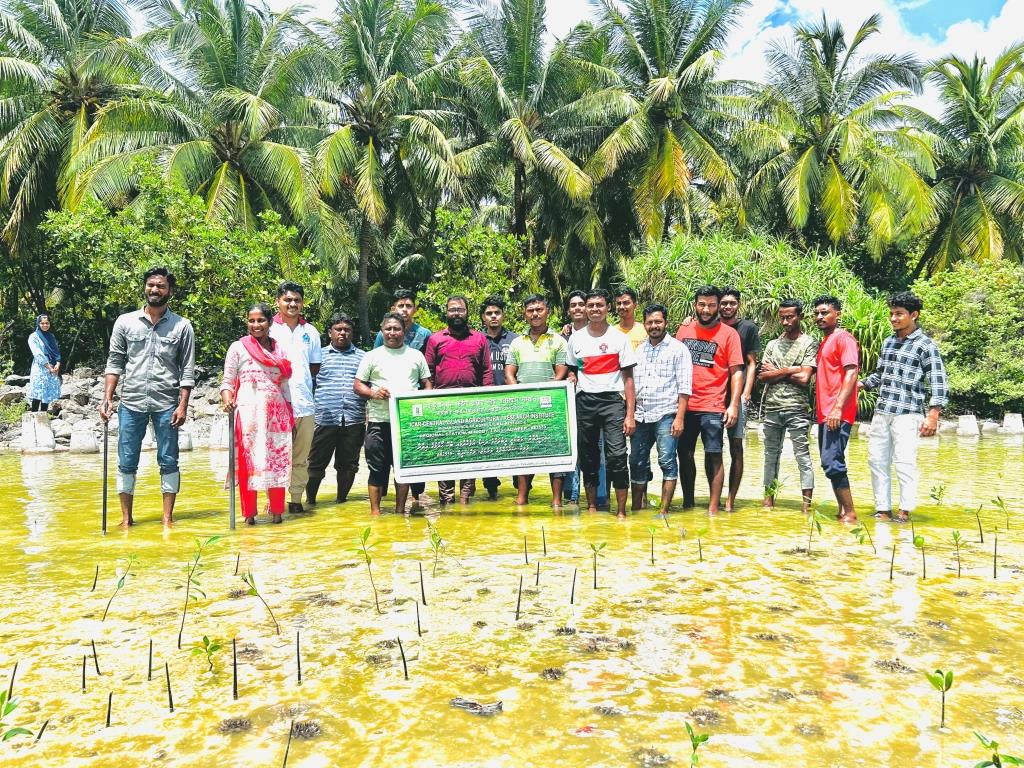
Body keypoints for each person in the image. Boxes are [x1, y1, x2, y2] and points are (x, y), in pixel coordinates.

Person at [100, 267, 196, 527]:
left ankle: (167, 519)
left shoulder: (182, 326)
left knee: (169, 459)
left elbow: (187, 370)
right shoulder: (125, 322)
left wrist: (183, 405)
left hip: (167, 403)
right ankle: (126, 519)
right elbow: (115, 362)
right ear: (145, 287)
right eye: (151, 285)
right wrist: (107, 397)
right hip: (131, 401)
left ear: (170, 291)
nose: (155, 289)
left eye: (161, 286)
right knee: (126, 460)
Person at [862, 291, 948, 523]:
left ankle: (904, 511)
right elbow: (880, 374)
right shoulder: (888, 342)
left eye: (899, 314)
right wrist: (859, 384)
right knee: (876, 460)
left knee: (904, 462)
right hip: (882, 410)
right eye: (891, 313)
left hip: (908, 413)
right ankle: (883, 509)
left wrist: (933, 415)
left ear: (914, 315)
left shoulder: (926, 345)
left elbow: (938, 381)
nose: (893, 318)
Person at [566, 289, 636, 518]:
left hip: (612, 402)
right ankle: (592, 508)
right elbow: (572, 369)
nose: (595, 309)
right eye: (591, 305)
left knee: (617, 456)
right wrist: (572, 377)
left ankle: (621, 511)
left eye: (600, 305)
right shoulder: (576, 338)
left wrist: (630, 415)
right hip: (585, 402)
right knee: (588, 457)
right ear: (586, 309)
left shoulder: (619, 338)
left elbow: (628, 379)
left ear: (608, 308)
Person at [220, 303, 293, 524]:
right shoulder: (238, 348)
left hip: (276, 417)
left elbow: (285, 386)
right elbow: (227, 381)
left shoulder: (279, 350)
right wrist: (227, 399)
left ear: (270, 322)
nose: (256, 325)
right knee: (248, 463)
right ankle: (249, 516)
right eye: (251, 321)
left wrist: (291, 415)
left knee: (277, 463)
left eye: (261, 320)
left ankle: (277, 514)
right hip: (248, 415)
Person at [354, 313, 432, 515]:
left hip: (407, 423)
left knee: (402, 469)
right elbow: (358, 385)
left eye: (396, 329)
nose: (392, 333)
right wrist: (373, 392)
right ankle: (375, 514)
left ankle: (399, 512)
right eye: (388, 329)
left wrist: (421, 400)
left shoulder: (416, 355)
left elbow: (427, 383)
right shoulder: (372, 356)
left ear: (404, 331)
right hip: (378, 421)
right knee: (376, 469)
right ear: (382, 331)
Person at [674, 286, 742, 515]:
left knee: (714, 455)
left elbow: (736, 372)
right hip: (685, 405)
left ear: (718, 306)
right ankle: (688, 504)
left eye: (711, 305)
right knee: (684, 455)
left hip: (713, 405)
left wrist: (733, 405)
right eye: (702, 304)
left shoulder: (729, 334)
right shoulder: (684, 330)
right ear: (695, 305)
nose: (706, 310)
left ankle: (713, 509)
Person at [424, 295, 494, 504]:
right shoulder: (435, 339)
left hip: (472, 405)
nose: (456, 313)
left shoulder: (479, 339)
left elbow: (486, 372)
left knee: (469, 450)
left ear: (467, 312)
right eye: (452, 309)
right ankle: (446, 500)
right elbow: (428, 373)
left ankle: (465, 499)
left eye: (460, 310)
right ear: (446, 313)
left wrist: (486, 402)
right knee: (445, 452)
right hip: (442, 406)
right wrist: (430, 403)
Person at [505, 294, 569, 506]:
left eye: (539, 309)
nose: (535, 314)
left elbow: (560, 372)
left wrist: (546, 394)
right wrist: (519, 394)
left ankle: (556, 501)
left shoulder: (558, 341)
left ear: (547, 312)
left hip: (552, 405)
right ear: (525, 314)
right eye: (530, 310)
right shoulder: (516, 342)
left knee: (556, 450)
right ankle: (522, 498)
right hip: (523, 406)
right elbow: (509, 373)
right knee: (525, 450)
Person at [630, 304, 691, 516]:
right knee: (637, 461)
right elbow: (633, 385)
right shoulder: (640, 350)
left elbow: (684, 388)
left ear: (666, 322)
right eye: (650, 322)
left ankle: (663, 511)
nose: (654, 326)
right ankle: (637, 510)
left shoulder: (678, 349)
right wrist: (630, 414)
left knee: (666, 460)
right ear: (644, 324)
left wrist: (679, 418)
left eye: (658, 321)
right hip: (641, 414)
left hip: (666, 414)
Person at [758, 299, 817, 513]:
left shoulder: (809, 343)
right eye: (782, 317)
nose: (785, 322)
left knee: (802, 455)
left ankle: (806, 506)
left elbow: (805, 379)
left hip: (797, 408)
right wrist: (790, 369)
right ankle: (768, 501)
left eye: (790, 317)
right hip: (772, 407)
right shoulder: (772, 345)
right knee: (770, 455)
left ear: (800, 317)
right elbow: (763, 376)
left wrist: (777, 371)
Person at [269, 281, 322, 515]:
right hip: (275, 404)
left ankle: (296, 499)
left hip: (304, 404)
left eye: (297, 300)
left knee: (301, 456)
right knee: (276, 454)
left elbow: (314, 367)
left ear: (302, 303)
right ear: (278, 302)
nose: (292, 304)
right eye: (287, 299)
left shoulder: (310, 331)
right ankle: (274, 501)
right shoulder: (268, 328)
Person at [373, 288, 431, 501]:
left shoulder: (424, 334)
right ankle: (385, 498)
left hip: (413, 407)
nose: (404, 310)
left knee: (413, 456)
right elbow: (377, 364)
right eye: (400, 306)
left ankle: (416, 499)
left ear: (415, 309)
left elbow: (427, 371)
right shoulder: (383, 334)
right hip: (385, 407)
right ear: (393, 308)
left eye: (408, 306)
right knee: (383, 460)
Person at [306, 313, 365, 506]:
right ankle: (310, 502)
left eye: (347, 330)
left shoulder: (363, 357)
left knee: (349, 465)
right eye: (338, 329)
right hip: (324, 418)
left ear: (352, 333)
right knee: (315, 463)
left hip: (354, 419)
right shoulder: (318, 356)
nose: (342, 333)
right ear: (330, 332)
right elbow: (308, 385)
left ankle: (341, 501)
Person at [813, 295, 860, 523]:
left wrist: (837, 408)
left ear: (837, 314)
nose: (819, 317)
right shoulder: (826, 341)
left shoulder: (844, 338)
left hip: (837, 412)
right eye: (817, 313)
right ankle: (842, 511)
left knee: (832, 462)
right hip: (825, 413)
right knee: (829, 461)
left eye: (825, 312)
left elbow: (852, 372)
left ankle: (850, 513)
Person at [561, 289, 607, 507]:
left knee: (598, 450)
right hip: (570, 403)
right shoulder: (562, 337)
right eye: (573, 305)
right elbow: (568, 367)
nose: (578, 308)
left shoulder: (602, 334)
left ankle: (600, 497)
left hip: (597, 401)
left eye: (582, 304)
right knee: (573, 449)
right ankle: (572, 496)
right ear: (568, 310)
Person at [719, 288, 760, 512]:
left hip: (736, 394)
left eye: (732, 303)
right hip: (714, 395)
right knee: (713, 448)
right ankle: (714, 495)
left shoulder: (748, 328)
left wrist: (746, 392)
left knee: (736, 446)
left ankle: (730, 499)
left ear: (738, 305)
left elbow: (752, 363)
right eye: (724, 303)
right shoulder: (712, 326)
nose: (727, 307)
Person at [480, 296, 519, 500]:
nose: (493, 316)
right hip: (485, 403)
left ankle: (520, 486)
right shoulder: (477, 340)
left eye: (497, 313)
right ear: (483, 317)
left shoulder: (515, 340)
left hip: (511, 403)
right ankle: (491, 489)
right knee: (488, 447)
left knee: (516, 445)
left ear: (503, 315)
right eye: (489, 313)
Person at [27, 313, 61, 412]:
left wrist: (58, 363)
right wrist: (48, 367)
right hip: (40, 367)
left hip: (52, 367)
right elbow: (37, 353)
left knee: (47, 393)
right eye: (42, 323)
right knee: (38, 392)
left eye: (47, 323)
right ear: (38, 324)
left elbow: (56, 351)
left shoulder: (51, 336)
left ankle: (44, 416)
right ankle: (34, 415)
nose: (45, 325)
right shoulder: (34, 337)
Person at [613, 287, 648, 351]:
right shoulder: (612, 332)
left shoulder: (645, 331)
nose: (621, 307)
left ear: (635, 305)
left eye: (626, 303)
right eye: (618, 303)